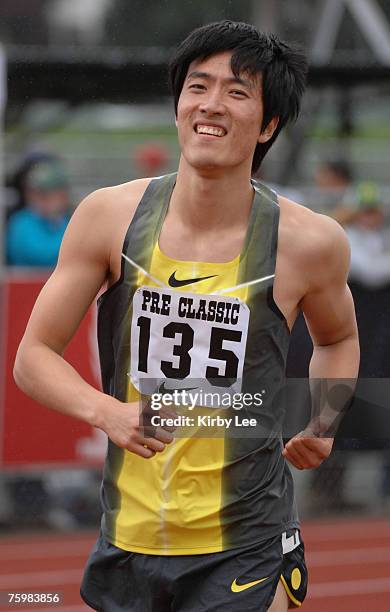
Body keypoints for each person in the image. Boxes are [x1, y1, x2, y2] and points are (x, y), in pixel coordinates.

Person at [14, 21, 359, 611]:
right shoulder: (108, 217)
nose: (212, 105)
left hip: (248, 539)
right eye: (198, 86)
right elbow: (32, 358)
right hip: (129, 533)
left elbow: (340, 337)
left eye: (238, 91)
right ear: (178, 105)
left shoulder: (309, 242)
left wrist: (322, 420)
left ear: (269, 124)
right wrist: (109, 414)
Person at [6, 157, 70, 266]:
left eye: (52, 192)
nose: (46, 199)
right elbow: (36, 255)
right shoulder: (21, 222)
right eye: (40, 193)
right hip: (27, 281)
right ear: (28, 194)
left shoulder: (67, 220)